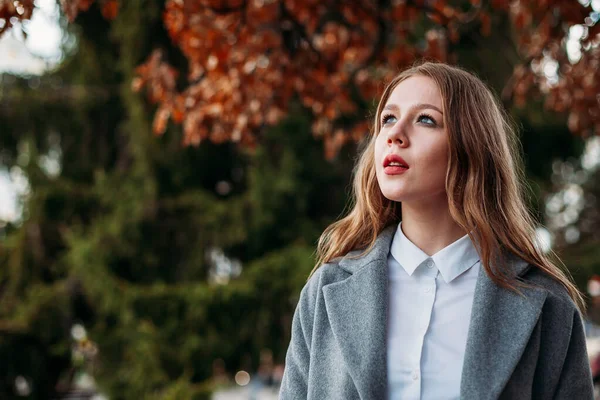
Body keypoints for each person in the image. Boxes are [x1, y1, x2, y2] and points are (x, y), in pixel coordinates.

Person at [279, 62, 594, 399]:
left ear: (471, 146)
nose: (395, 134)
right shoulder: (327, 289)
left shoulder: (547, 304)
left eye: (425, 119)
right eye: (388, 118)